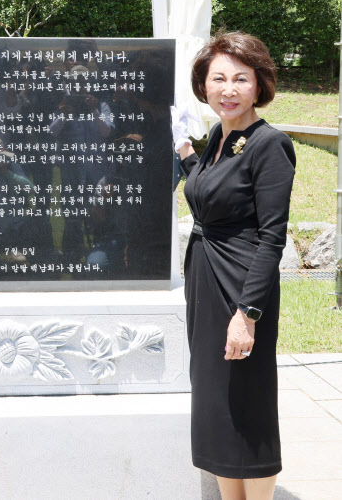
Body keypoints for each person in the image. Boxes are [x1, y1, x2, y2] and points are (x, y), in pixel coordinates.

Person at [173, 32, 295, 500]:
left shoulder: (269, 144)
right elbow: (211, 192)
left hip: (241, 287)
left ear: (259, 84)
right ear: (203, 86)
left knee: (247, 401)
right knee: (214, 402)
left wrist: (248, 315)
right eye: (217, 78)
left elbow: (272, 238)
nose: (228, 88)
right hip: (204, 283)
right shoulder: (221, 140)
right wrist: (185, 152)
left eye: (240, 79)